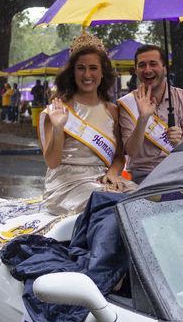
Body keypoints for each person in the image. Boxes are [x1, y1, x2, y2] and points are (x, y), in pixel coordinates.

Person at [40, 33, 135, 214]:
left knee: (142, 198)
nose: (87, 74)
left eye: (93, 68)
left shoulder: (112, 111)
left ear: (102, 73)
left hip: (103, 179)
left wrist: (113, 173)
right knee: (110, 204)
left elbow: (119, 157)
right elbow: (52, 162)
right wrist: (59, 128)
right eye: (81, 68)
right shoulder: (58, 109)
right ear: (72, 72)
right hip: (67, 184)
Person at [118, 44, 183, 183]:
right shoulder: (127, 104)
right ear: (136, 70)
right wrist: (143, 119)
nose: (147, 70)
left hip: (178, 173)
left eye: (153, 64)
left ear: (165, 68)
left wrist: (178, 143)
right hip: (141, 176)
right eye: (142, 65)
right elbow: (132, 152)